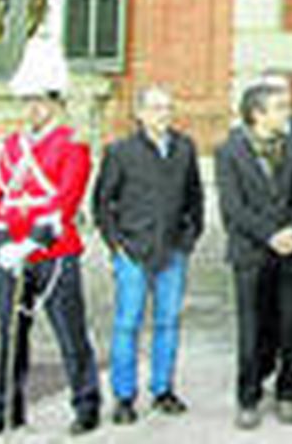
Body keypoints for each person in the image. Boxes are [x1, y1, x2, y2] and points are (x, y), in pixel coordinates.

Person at [0, 59, 100, 440]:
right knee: (11, 338)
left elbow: (66, 200)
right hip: (9, 257)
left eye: (41, 101)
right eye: (28, 101)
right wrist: (3, 246)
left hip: (55, 253)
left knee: (70, 334)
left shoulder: (72, 146)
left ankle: (86, 404)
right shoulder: (8, 147)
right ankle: (8, 411)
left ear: (57, 105)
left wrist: (31, 243)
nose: (33, 109)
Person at [93, 86, 203, 425]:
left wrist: (189, 237)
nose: (163, 114)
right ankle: (124, 397)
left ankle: (163, 389)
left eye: (168, 108)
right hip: (133, 251)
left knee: (168, 322)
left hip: (173, 250)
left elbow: (195, 197)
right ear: (140, 114)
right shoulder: (121, 151)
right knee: (127, 324)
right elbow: (102, 203)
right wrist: (117, 245)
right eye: (156, 108)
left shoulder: (185, 148)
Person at [217, 81, 292, 429]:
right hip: (251, 253)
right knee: (252, 328)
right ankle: (248, 397)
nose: (288, 113)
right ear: (258, 114)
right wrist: (270, 235)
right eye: (280, 107)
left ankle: (289, 392)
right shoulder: (230, 152)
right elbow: (233, 207)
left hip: (290, 250)